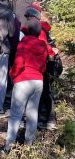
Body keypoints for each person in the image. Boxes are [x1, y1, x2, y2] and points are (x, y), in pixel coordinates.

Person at [4, 21, 48, 152]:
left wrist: (12, 74)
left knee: (15, 115)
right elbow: (43, 67)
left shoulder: (24, 43)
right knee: (32, 114)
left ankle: (8, 147)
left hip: (24, 80)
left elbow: (18, 62)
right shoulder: (43, 45)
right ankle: (29, 145)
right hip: (38, 81)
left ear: (27, 31)